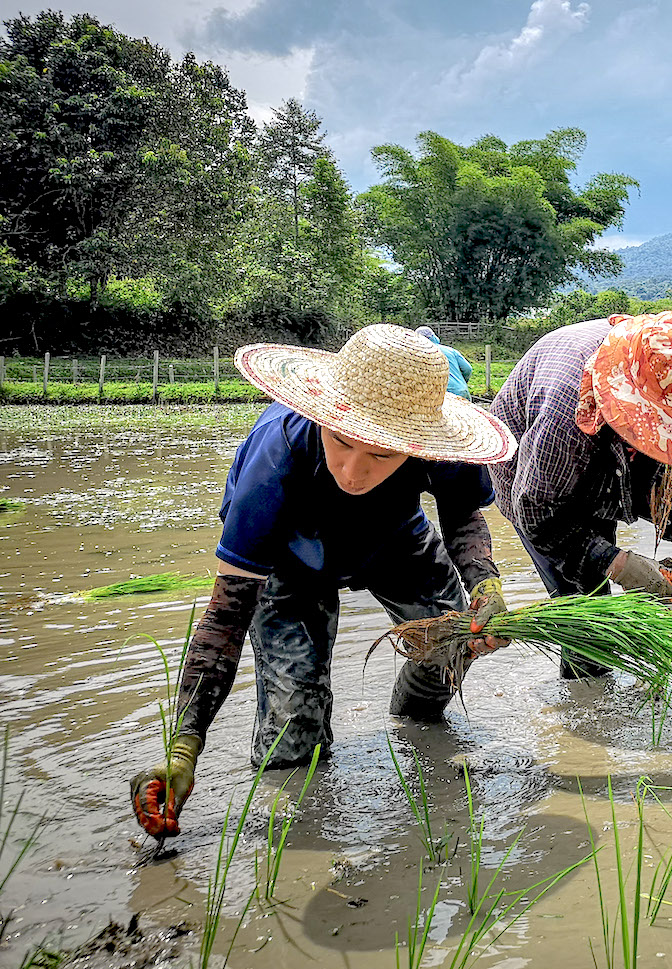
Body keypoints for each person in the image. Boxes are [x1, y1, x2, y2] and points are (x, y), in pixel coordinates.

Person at [129, 324, 518, 840]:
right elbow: (226, 619)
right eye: (341, 442)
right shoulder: (275, 460)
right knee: (293, 737)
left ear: (418, 445)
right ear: (322, 417)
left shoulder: (439, 445)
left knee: (456, 643)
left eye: (381, 453)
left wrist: (486, 588)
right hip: (291, 561)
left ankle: (414, 723)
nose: (353, 472)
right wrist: (184, 747)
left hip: (395, 540)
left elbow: (465, 517)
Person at [489, 311, 672, 671]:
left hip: (613, 452)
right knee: (590, 606)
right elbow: (537, 512)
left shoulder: (667, 369)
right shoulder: (568, 409)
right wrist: (616, 563)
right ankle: (587, 709)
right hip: (546, 484)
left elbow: (664, 457)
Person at [417, 325, 474, 398]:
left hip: (439, 394)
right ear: (433, 336)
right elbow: (467, 369)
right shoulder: (450, 350)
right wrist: (461, 382)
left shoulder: (418, 355)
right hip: (460, 390)